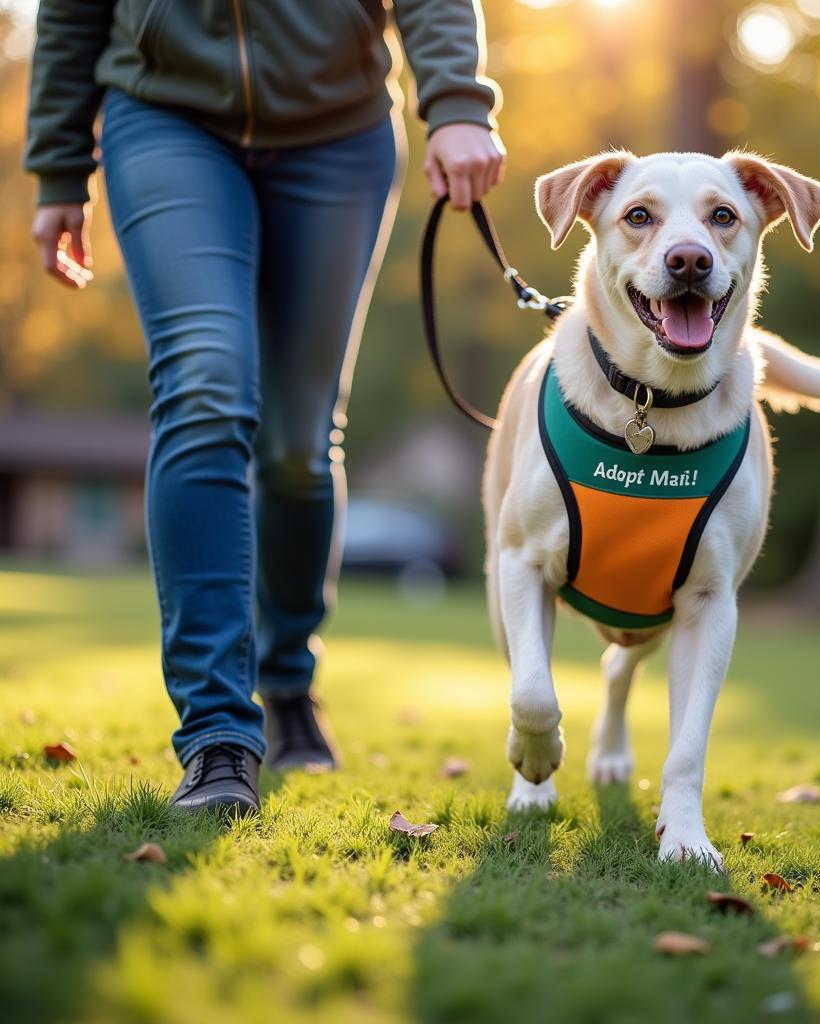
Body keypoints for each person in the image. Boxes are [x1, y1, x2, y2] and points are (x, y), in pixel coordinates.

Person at [24, 0, 504, 814]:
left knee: (297, 443)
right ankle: (218, 732)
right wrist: (59, 166)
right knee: (205, 385)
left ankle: (288, 681)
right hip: (166, 117)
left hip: (336, 131)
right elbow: (74, 10)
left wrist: (456, 100)